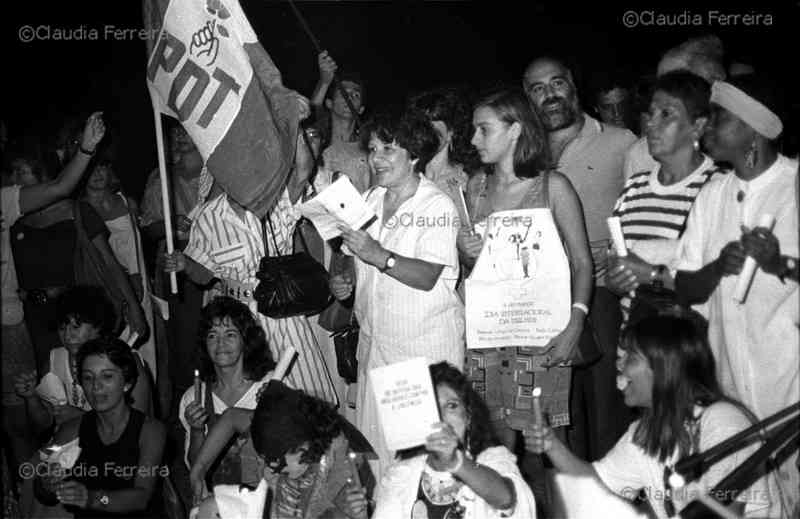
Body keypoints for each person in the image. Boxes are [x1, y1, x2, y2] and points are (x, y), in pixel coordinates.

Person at [658, 74, 798, 513]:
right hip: (730, 380)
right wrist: (719, 267)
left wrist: (780, 265)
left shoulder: (792, 187)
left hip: (791, 379)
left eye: (719, 117)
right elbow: (683, 287)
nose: (706, 126)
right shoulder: (712, 194)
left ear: (753, 129)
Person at [524, 313, 776, 518]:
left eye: (630, 357)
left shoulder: (722, 421)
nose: (619, 365)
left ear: (664, 367)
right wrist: (551, 445)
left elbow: (723, 512)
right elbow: (598, 483)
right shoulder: (645, 432)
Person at [328, 108, 465, 474]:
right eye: (372, 149)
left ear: (414, 154)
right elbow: (346, 258)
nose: (376, 158)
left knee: (424, 464)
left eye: (388, 149)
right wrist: (344, 281)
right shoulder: (370, 200)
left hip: (421, 352)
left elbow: (427, 276)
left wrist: (380, 256)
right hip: (375, 348)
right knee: (379, 462)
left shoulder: (436, 204)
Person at [163, 126, 338, 407]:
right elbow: (204, 275)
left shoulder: (273, 201)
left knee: (309, 402)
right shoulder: (208, 217)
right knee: (253, 407)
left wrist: (293, 124)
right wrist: (184, 264)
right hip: (238, 322)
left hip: (281, 314)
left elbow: (303, 171)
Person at [457, 88, 592, 452]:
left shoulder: (554, 187)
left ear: (515, 130)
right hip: (489, 338)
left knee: (546, 446)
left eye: (483, 129)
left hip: (540, 335)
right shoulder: (476, 188)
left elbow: (581, 261)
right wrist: (468, 254)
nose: (473, 139)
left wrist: (575, 324)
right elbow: (479, 268)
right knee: (495, 446)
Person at [523, 56, 637, 460]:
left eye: (556, 84)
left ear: (573, 85)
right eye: (537, 88)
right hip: (540, 304)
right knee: (557, 422)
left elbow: (642, 208)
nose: (549, 95)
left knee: (608, 416)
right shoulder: (524, 150)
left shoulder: (621, 141)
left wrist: (622, 250)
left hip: (603, 297)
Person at [10, 153, 147, 378]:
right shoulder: (13, 219)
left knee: (89, 382)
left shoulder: (78, 213)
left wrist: (134, 308)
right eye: (12, 172)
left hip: (77, 322)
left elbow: (110, 265)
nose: (14, 179)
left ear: (44, 175)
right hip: (33, 320)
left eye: (21, 172)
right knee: (47, 387)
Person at [607, 71, 724, 325]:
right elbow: (614, 273)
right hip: (633, 352)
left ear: (698, 126)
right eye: (650, 114)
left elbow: (720, 286)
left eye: (666, 114)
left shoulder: (718, 189)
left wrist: (649, 274)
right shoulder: (633, 189)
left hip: (687, 354)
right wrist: (615, 280)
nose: (651, 124)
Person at [372, 361, 536, 518]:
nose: (442, 417)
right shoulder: (402, 473)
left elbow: (506, 499)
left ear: (468, 416)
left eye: (452, 406)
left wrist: (455, 462)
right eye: (433, 408)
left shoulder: (494, 459)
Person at [190, 380, 369, 519]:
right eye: (266, 458)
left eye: (278, 458)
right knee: (213, 507)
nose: (273, 465)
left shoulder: (339, 463)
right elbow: (231, 418)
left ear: (303, 445)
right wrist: (198, 471)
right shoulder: (274, 425)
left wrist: (359, 514)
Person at [33, 337, 166, 518]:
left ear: (127, 383)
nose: (96, 386)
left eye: (107, 376)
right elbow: (42, 469)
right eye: (88, 378)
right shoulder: (68, 430)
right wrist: (46, 482)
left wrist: (92, 498)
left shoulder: (151, 431)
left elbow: (141, 496)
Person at [14, 285, 153, 434]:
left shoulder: (124, 360)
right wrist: (31, 398)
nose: (67, 336)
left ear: (98, 325)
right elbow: (43, 425)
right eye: (62, 328)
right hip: (68, 450)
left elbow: (139, 427)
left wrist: (83, 420)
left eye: (76, 327)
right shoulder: (55, 360)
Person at [178, 296, 275, 489]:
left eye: (230, 334)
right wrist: (197, 430)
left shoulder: (270, 384)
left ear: (245, 341)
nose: (220, 343)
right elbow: (195, 469)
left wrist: (274, 408)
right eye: (212, 335)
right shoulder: (194, 396)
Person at [82, 160, 158, 385]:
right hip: (110, 293)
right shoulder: (80, 211)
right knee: (114, 359)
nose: (97, 173)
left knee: (147, 355)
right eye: (91, 168)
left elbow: (139, 245)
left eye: (102, 167)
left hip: (140, 285)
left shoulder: (127, 202)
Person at [623, 35, 727, 182]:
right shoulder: (643, 155)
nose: (662, 93)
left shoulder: (740, 145)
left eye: (676, 83)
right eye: (661, 83)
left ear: (713, 86)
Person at [407, 86, 480, 207]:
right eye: (420, 125)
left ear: (450, 132)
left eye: (431, 127)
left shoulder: (461, 183)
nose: (423, 133)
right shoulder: (408, 173)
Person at [310, 51, 370, 194]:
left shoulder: (369, 146)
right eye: (343, 93)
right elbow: (311, 111)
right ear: (329, 103)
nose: (349, 97)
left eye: (355, 94)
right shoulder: (316, 142)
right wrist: (325, 81)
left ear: (361, 109)